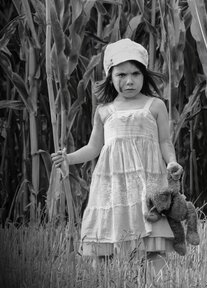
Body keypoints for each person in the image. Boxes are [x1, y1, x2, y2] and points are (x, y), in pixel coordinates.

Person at [51, 38, 184, 275]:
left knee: (152, 241)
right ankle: (102, 279)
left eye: (135, 73)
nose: (129, 80)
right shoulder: (104, 111)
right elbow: (93, 147)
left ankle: (159, 280)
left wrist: (171, 161)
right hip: (113, 183)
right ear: (110, 76)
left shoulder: (155, 106)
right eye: (121, 74)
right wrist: (68, 158)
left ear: (144, 75)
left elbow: (165, 141)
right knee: (105, 242)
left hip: (147, 181)